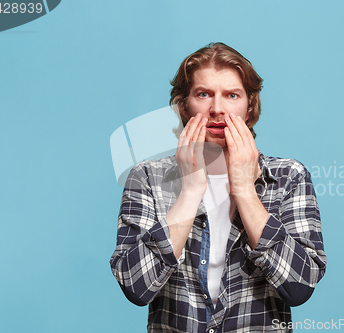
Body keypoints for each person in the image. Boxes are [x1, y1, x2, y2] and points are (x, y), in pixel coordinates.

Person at [110, 42, 326, 332]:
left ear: (250, 107)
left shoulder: (289, 177)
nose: (217, 109)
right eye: (203, 94)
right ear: (184, 106)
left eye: (232, 95)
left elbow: (300, 286)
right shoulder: (147, 177)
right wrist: (189, 192)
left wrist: (245, 192)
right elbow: (136, 287)